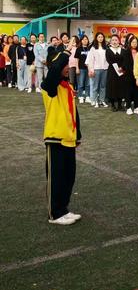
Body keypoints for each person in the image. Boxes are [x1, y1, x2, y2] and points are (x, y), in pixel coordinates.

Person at [41, 38, 82, 225]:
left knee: (68, 177)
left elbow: (74, 113)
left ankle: (63, 209)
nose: (68, 67)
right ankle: (54, 214)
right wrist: (65, 52)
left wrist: (78, 134)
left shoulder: (69, 87)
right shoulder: (49, 87)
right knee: (56, 178)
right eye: (66, 65)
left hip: (68, 138)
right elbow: (54, 70)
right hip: (55, 138)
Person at [86, 32, 109, 108]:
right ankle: (95, 100)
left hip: (105, 69)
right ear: (96, 38)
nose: (100, 38)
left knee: (103, 86)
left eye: (102, 37)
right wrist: (91, 70)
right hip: (96, 69)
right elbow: (90, 60)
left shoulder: (106, 47)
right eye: (99, 37)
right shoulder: (93, 48)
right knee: (95, 86)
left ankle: (101, 100)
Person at [106, 34, 127, 111]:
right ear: (111, 41)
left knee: (121, 87)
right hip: (112, 71)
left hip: (121, 71)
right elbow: (109, 60)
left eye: (116, 40)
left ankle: (119, 105)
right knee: (112, 87)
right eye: (113, 40)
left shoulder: (123, 50)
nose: (114, 42)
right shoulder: (108, 50)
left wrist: (122, 67)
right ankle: (112, 105)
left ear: (119, 41)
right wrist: (116, 66)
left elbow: (125, 60)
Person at [123, 36, 138, 115]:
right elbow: (125, 65)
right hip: (129, 75)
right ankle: (128, 107)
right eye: (133, 42)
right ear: (130, 43)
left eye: (136, 42)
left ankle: (136, 107)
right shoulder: (126, 52)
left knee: (137, 91)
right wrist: (132, 72)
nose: (134, 44)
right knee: (128, 91)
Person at [75, 35, 90, 104]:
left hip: (89, 68)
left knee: (88, 83)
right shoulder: (79, 49)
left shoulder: (90, 48)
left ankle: (87, 96)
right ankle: (80, 96)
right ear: (81, 41)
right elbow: (76, 59)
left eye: (86, 39)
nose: (85, 40)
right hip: (81, 68)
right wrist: (77, 68)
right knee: (80, 83)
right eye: (83, 39)